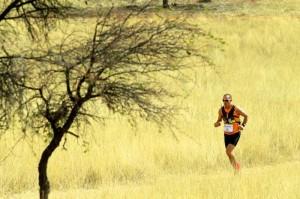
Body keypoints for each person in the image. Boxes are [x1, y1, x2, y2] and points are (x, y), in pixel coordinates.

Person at [214, 94, 248, 172]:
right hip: (226, 135)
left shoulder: (236, 109)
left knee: (228, 151)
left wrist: (243, 125)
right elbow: (218, 120)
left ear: (231, 101)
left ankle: (237, 168)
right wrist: (216, 124)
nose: (225, 102)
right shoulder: (221, 110)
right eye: (223, 100)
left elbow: (246, 116)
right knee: (229, 154)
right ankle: (236, 169)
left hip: (235, 133)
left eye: (227, 100)